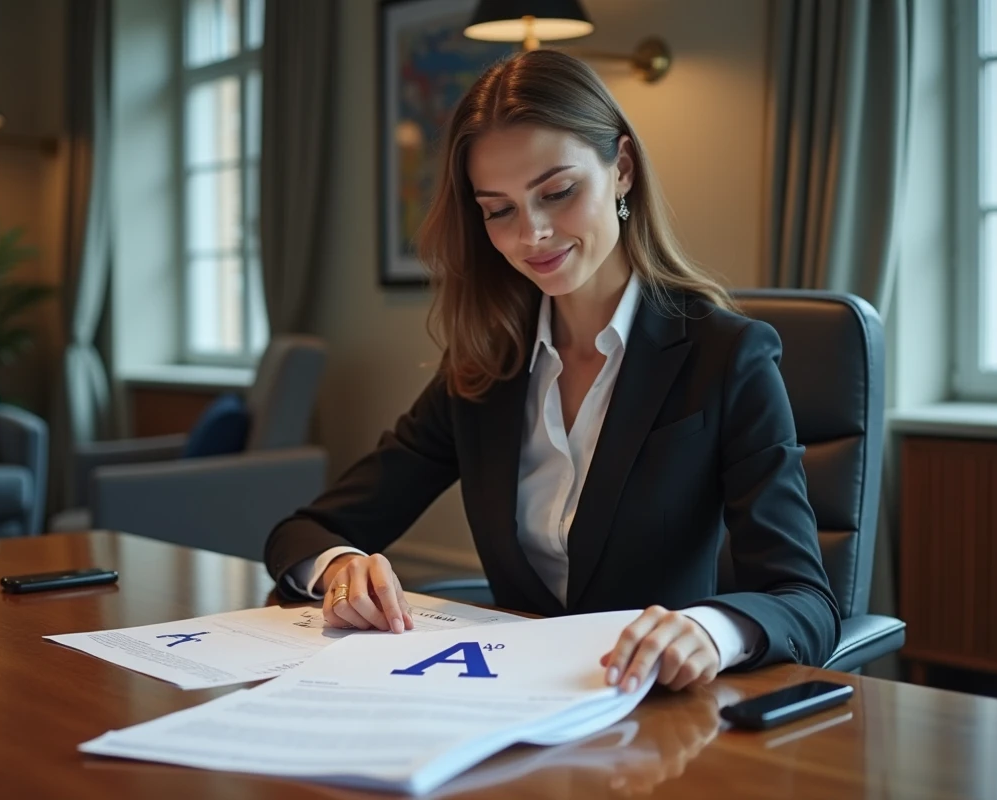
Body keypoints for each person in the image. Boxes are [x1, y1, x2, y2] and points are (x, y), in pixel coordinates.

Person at [265, 49, 839, 693]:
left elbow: (806, 602)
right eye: (499, 209)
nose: (532, 233)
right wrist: (340, 565)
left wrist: (712, 630)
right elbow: (302, 532)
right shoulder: (483, 371)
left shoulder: (726, 357)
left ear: (621, 169)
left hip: (656, 723)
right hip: (507, 706)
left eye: (558, 193)